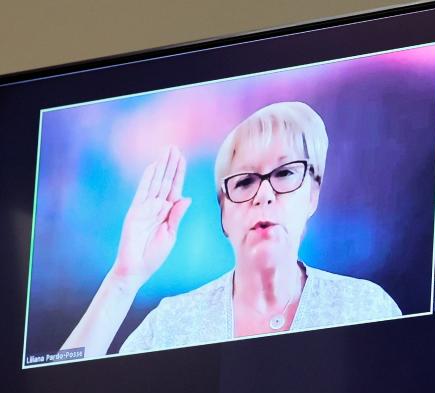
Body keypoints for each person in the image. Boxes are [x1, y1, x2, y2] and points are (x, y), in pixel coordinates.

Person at [63, 101, 400, 357]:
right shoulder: (170, 324)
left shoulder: (366, 307)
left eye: (284, 174)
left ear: (312, 195)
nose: (263, 195)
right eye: (244, 181)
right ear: (224, 213)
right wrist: (123, 281)